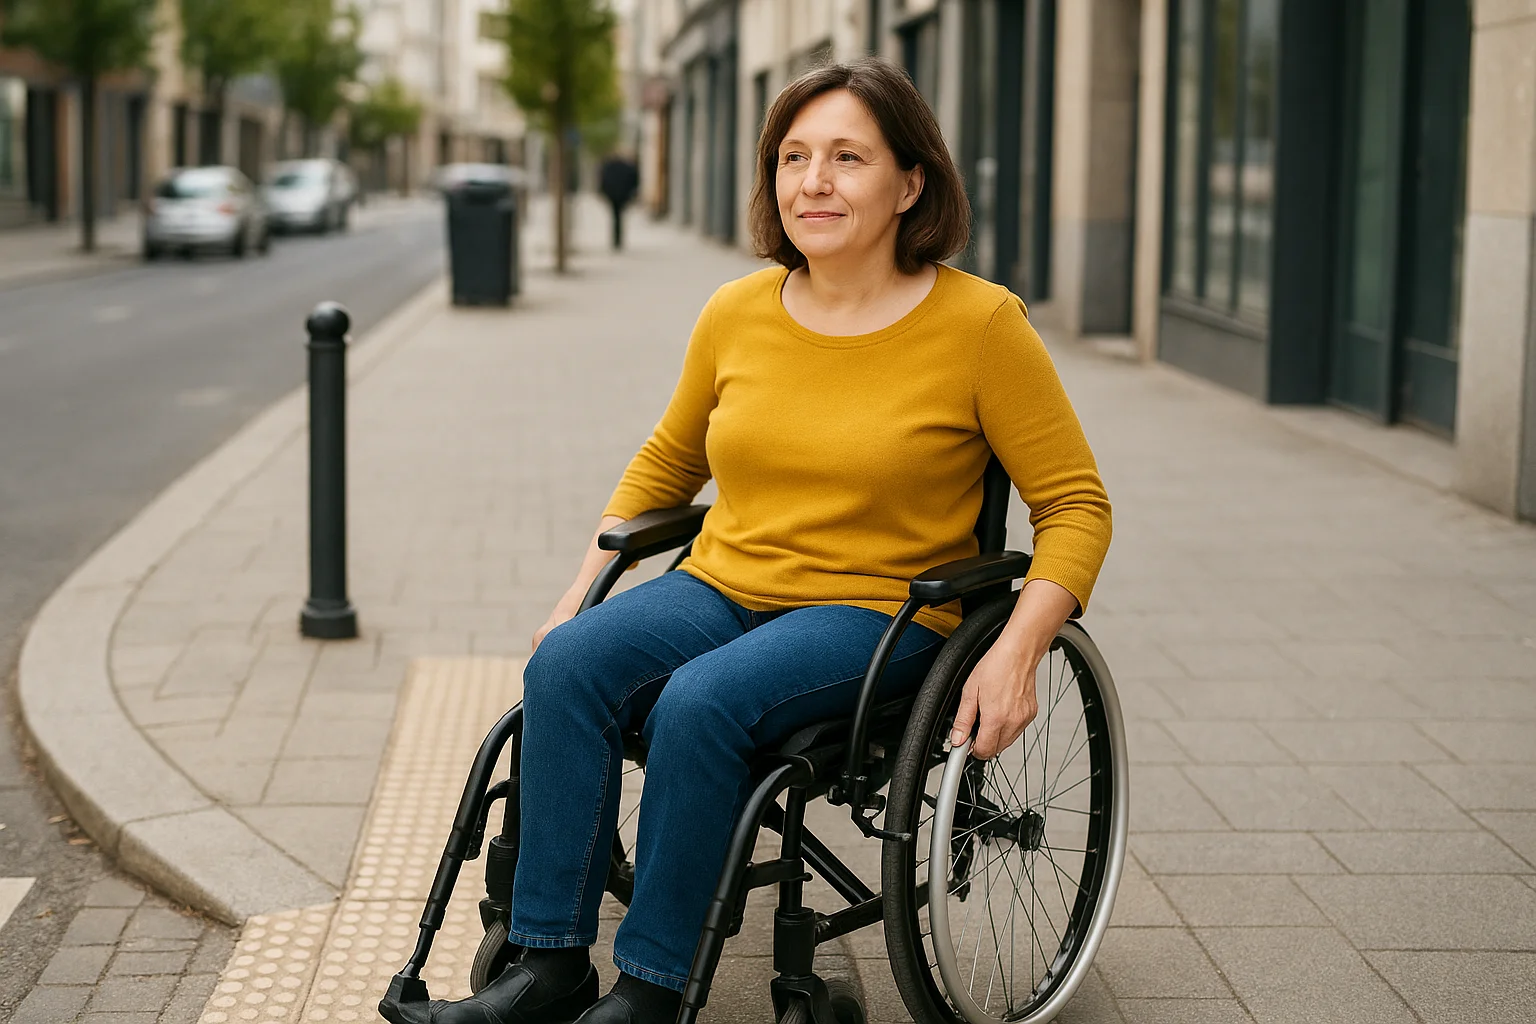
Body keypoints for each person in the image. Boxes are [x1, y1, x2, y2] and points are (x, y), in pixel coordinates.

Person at [389, 57, 1111, 1024]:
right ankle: (548, 962)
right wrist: (580, 589)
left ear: (910, 184)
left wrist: (1019, 648)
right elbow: (663, 466)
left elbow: (1077, 507)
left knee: (700, 704)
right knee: (567, 664)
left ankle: (651, 990)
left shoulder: (980, 326)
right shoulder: (736, 312)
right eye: (794, 156)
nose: (814, 180)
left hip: (877, 612)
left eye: (848, 157)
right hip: (724, 584)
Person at [599, 151, 640, 250]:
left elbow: (603, 180)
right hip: (622, 195)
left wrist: (604, 192)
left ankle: (616, 239)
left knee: (615, 216)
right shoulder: (627, 166)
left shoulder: (608, 166)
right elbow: (634, 180)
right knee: (619, 216)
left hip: (612, 195)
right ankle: (618, 239)